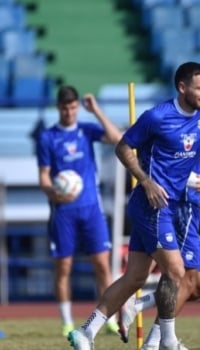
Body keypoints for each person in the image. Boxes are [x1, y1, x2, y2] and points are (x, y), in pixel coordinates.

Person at [68, 61, 200, 350]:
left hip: (174, 206)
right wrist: (146, 182)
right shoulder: (157, 117)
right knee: (176, 271)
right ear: (182, 87)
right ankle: (167, 343)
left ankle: (85, 332)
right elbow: (123, 147)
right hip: (151, 204)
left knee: (135, 277)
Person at [116, 89, 200, 349]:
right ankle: (156, 341)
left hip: (190, 209)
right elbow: (180, 178)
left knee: (199, 284)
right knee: (185, 277)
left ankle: (140, 308)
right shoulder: (185, 130)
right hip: (179, 208)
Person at [36, 86, 122, 337]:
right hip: (63, 212)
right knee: (63, 268)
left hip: (91, 209)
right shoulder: (48, 137)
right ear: (58, 108)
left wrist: (96, 110)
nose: (70, 112)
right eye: (65, 107)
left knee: (102, 266)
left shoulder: (86, 130)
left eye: (73, 107)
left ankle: (109, 319)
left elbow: (116, 138)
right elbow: (43, 177)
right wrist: (55, 193)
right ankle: (66, 322)